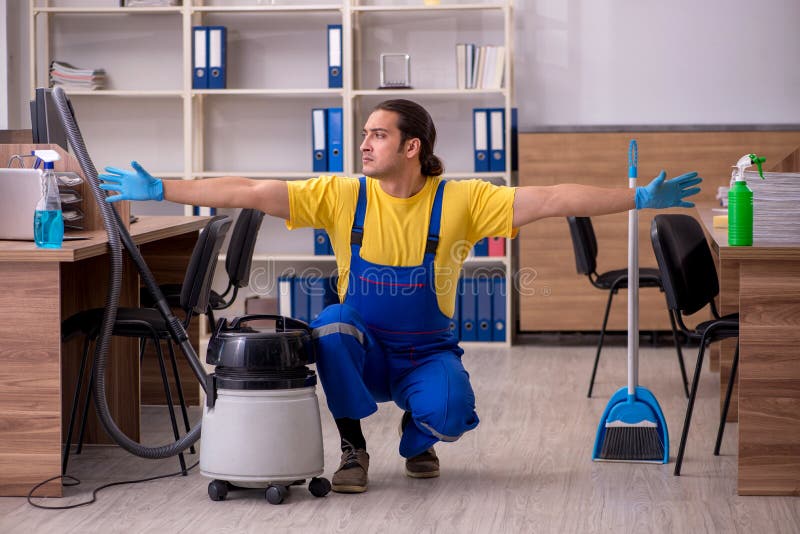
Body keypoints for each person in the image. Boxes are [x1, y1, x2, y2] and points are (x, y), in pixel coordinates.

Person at [99, 99, 701, 494]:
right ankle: (353, 447)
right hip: (362, 348)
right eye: (364, 134)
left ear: (412, 146)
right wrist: (164, 188)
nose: (364, 144)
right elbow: (252, 190)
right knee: (331, 325)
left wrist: (636, 199)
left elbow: (551, 198)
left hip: (425, 353)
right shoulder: (343, 195)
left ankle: (419, 434)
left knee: (451, 412)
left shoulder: (462, 200)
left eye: (378, 135)